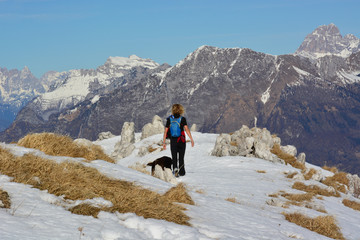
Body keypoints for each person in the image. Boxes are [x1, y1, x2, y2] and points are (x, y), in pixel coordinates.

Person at [162, 104, 194, 177]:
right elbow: (186, 129)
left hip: (173, 140)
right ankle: (182, 172)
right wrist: (191, 139)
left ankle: (175, 169)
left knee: (174, 157)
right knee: (181, 157)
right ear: (181, 110)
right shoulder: (182, 119)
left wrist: (164, 142)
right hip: (181, 140)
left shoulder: (169, 119)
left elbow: (166, 131)